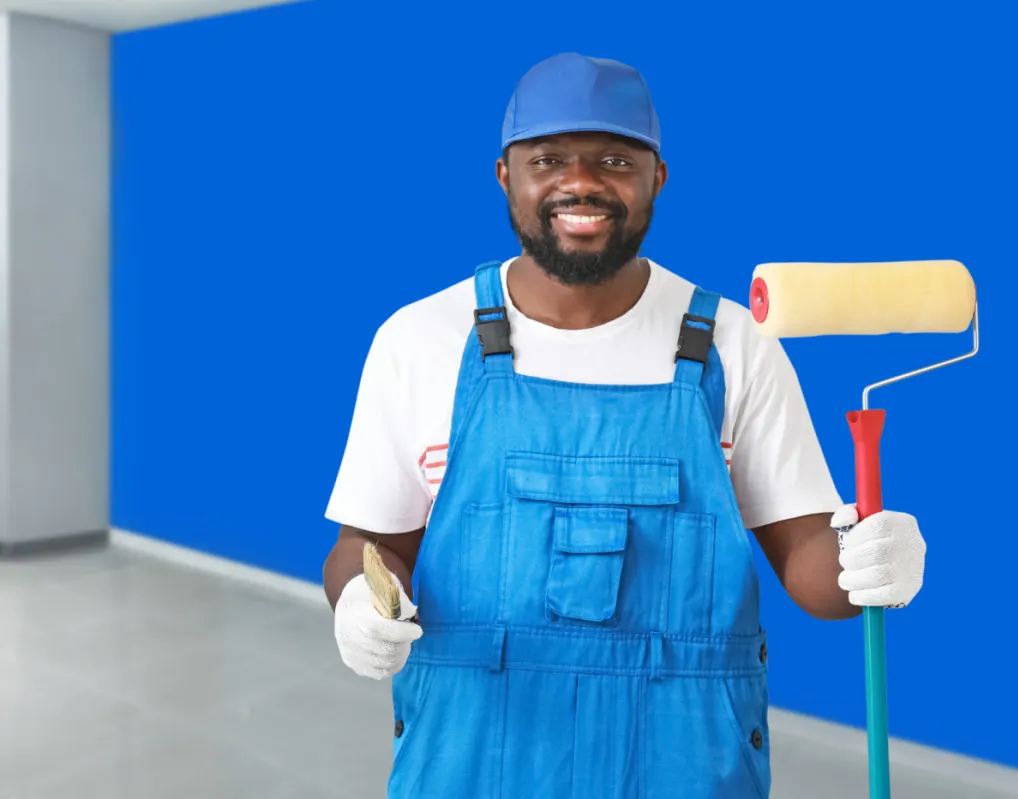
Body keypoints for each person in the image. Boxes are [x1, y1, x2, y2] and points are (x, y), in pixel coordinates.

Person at [321, 52, 927, 799]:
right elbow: (368, 546)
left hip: (687, 768)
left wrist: (868, 562)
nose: (581, 182)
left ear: (656, 178)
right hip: (470, 761)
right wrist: (357, 596)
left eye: (613, 158)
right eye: (548, 159)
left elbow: (807, 554)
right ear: (506, 175)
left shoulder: (733, 345)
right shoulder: (417, 341)